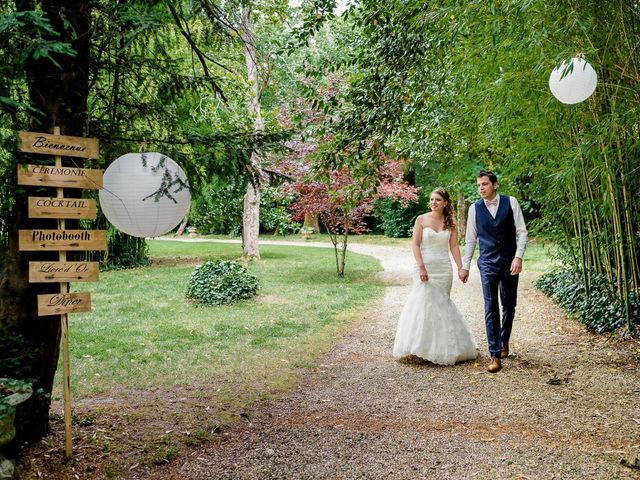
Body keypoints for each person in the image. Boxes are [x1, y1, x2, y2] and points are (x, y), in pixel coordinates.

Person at [393, 187, 477, 365]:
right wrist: (421, 267)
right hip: (425, 266)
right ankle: (419, 347)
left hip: (443, 268)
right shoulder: (421, 219)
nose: (433, 202)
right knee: (423, 304)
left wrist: (461, 268)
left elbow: (454, 247)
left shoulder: (451, 223)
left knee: (441, 304)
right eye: (431, 199)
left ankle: (440, 348)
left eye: (437, 200)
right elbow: (415, 245)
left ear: (445, 203)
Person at [459, 170, 528, 373]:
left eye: (485, 184)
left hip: (509, 262)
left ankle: (504, 339)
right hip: (487, 263)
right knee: (491, 307)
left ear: (495, 185)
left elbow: (522, 232)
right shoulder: (474, 209)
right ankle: (495, 354)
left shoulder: (511, 202)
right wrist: (465, 266)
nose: (481, 188)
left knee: (509, 305)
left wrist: (518, 257)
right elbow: (471, 239)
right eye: (479, 185)